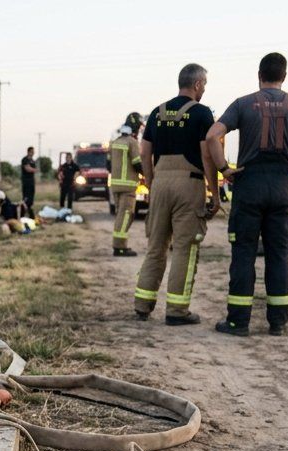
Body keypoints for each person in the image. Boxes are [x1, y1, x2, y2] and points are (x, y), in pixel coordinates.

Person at [206, 52, 288, 336]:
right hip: (281, 186)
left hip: (249, 184)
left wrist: (225, 169)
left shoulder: (243, 103)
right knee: (279, 255)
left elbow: (212, 136)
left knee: (243, 254)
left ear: (259, 75)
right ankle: (278, 322)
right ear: (284, 76)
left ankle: (238, 322)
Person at [134, 63, 219, 325]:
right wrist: (214, 193)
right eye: (204, 84)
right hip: (188, 183)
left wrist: (151, 183)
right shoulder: (203, 113)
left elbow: (144, 153)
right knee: (184, 247)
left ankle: (142, 305)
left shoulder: (156, 113)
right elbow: (206, 154)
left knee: (156, 246)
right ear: (196, 85)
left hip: (160, 182)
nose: (204, 88)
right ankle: (177, 311)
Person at [109, 113, 144, 256]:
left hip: (115, 185)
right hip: (128, 186)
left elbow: (107, 164)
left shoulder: (116, 141)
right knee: (126, 216)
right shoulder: (132, 142)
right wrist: (149, 175)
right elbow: (137, 163)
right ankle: (120, 247)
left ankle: (119, 245)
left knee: (120, 216)